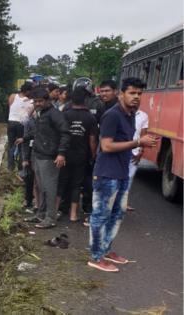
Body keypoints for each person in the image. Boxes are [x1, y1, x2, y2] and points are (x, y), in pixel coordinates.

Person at [88, 77, 159, 272]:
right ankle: (96, 257)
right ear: (122, 94)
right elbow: (106, 146)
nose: (136, 97)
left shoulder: (130, 115)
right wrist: (138, 143)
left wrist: (140, 146)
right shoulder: (112, 115)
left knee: (117, 214)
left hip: (122, 173)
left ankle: (106, 249)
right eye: (132, 93)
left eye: (139, 94)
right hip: (106, 174)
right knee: (100, 216)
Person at [20, 88, 70, 229]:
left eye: (40, 101)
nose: (38, 104)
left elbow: (65, 133)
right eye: (35, 101)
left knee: (50, 188)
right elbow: (37, 131)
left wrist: (61, 153)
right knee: (41, 188)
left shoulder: (55, 114)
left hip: (50, 157)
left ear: (48, 100)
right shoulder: (41, 114)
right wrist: (24, 138)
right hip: (38, 154)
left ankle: (50, 218)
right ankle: (41, 214)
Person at [55, 87, 98, 222]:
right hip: (81, 155)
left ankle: (54, 212)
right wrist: (93, 155)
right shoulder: (90, 117)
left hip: (65, 154)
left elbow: (59, 135)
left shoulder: (65, 114)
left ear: (71, 99)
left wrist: (58, 152)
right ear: (85, 100)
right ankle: (73, 215)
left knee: (61, 183)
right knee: (76, 184)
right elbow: (92, 140)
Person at [7, 82, 34, 170]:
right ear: (27, 91)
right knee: (22, 146)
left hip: (11, 122)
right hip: (21, 124)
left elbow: (10, 106)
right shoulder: (31, 101)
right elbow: (30, 115)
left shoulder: (13, 96)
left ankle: (10, 166)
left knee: (11, 144)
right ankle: (20, 167)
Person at [126, 104, 149, 210]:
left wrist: (141, 151)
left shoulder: (143, 116)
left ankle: (124, 201)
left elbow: (144, 135)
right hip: (120, 150)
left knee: (129, 177)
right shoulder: (121, 113)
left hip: (134, 152)